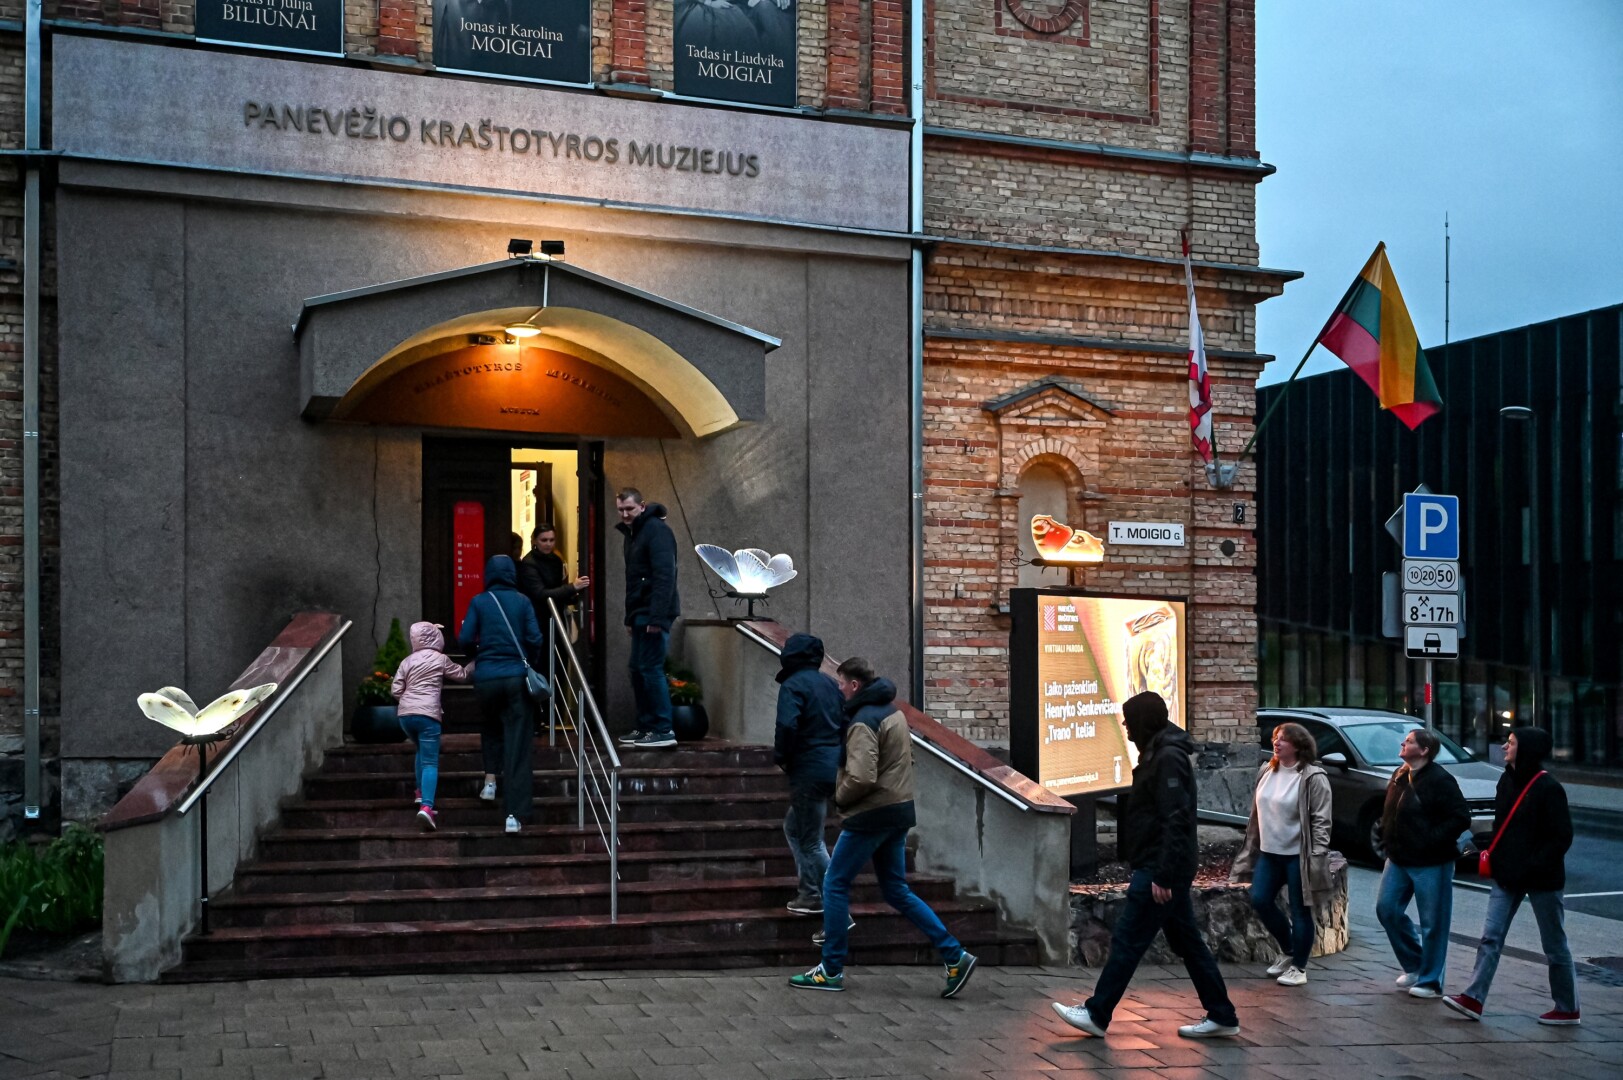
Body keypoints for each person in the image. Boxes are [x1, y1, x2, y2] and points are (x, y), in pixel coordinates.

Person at [1051, 691, 1239, 1040]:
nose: (1125, 726)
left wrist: (1163, 874)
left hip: (1160, 870)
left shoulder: (1168, 758)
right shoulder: (1162, 753)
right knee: (1188, 943)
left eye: (1129, 719)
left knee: (1127, 940)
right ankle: (1222, 1014)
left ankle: (1097, 1013)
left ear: (1143, 721)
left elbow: (1176, 818)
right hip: (1164, 867)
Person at [790, 657, 977, 998]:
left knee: (834, 883)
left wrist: (840, 798)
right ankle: (954, 956)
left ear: (854, 685)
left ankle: (830, 970)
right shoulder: (893, 712)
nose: (838, 689)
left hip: (871, 814)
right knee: (895, 889)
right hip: (898, 810)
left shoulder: (863, 720)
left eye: (841, 683)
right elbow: (907, 760)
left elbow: (862, 776)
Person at [1445, 727, 1579, 1025]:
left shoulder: (1548, 788)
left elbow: (1561, 837)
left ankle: (1568, 1007)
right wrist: (1489, 849)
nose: (1504, 747)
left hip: (1542, 879)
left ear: (1526, 749)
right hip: (1506, 875)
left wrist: (1531, 865)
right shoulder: (1506, 780)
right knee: (1490, 937)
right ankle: (1473, 998)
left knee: (1554, 943)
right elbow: (1503, 826)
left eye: (1511, 743)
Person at [1229, 722, 1335, 986]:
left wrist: (1318, 852)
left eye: (1283, 739)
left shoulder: (1313, 777)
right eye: (1276, 737)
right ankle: (1288, 951)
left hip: (1298, 855)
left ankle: (1299, 967)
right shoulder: (1267, 770)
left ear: (1298, 746)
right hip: (1269, 852)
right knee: (1260, 899)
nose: (1276, 742)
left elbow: (1321, 820)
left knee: (1300, 910)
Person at [1375, 727, 1471, 999]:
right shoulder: (1400, 774)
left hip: (1432, 861)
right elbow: (1391, 812)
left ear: (1424, 750)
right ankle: (1415, 965)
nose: (1403, 744)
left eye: (1409, 741)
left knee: (1433, 923)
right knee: (1387, 909)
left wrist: (1431, 839)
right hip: (1398, 858)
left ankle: (1430, 981)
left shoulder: (1440, 780)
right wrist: (1386, 838)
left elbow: (1460, 817)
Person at [457, 554, 544, 834]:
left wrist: (478, 657)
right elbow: (535, 638)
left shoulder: (479, 601)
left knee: (491, 727)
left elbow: (465, 638)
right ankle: (513, 816)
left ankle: (490, 783)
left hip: (486, 680)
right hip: (516, 678)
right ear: (512, 574)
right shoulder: (522, 601)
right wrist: (529, 661)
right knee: (518, 746)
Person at [771, 634, 846, 916]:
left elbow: (787, 726)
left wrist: (782, 757)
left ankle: (833, 905)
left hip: (808, 768)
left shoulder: (793, 685)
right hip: (831, 768)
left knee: (812, 841)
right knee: (794, 827)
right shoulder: (831, 684)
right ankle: (810, 893)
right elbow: (845, 724)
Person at [390, 622, 473, 831]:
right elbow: (462, 676)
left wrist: (409, 702)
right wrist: (475, 663)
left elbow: (396, 689)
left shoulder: (407, 661)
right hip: (428, 715)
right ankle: (427, 807)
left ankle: (419, 792)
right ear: (437, 638)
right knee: (430, 762)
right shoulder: (440, 658)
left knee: (420, 749)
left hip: (405, 716)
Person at [613, 488, 680, 749]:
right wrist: (630, 617)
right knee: (638, 670)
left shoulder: (656, 531)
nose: (625, 514)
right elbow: (634, 581)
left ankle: (662, 728)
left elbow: (665, 575)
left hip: (653, 612)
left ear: (642, 506)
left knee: (650, 669)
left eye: (629, 508)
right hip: (642, 611)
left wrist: (656, 616)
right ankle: (647, 727)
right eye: (621, 510)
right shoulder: (634, 534)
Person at [517, 522, 591, 642]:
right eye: (544, 540)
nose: (548, 544)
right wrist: (572, 587)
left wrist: (573, 596)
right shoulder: (528, 563)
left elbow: (557, 587)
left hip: (556, 615)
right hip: (538, 618)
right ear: (535, 541)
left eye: (552, 540)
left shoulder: (556, 560)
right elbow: (540, 594)